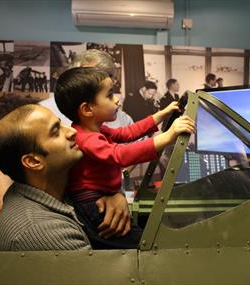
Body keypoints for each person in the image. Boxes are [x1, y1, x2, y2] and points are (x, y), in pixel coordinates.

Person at [54, 67, 195, 249]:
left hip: (102, 198)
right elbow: (120, 155)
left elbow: (127, 133)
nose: (117, 99)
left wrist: (162, 114)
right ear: (87, 109)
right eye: (109, 95)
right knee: (142, 245)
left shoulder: (96, 129)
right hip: (93, 205)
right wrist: (167, 137)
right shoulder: (86, 138)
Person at [0, 104, 91, 250]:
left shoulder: (53, 189)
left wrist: (114, 195)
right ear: (33, 162)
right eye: (56, 131)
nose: (72, 131)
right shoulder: (42, 230)